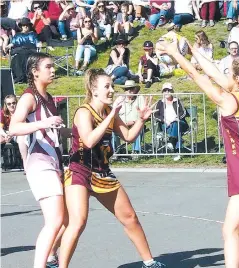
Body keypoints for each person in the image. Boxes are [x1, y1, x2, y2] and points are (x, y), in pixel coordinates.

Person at [158, 36, 239, 268]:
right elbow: (214, 73)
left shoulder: (229, 101)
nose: (224, 75)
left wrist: (176, 54)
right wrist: (194, 50)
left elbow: (199, 78)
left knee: (230, 231)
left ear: (235, 78)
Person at [58, 68, 166, 268]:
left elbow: (128, 136)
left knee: (130, 217)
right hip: (80, 170)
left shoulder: (109, 112)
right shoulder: (84, 112)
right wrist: (113, 114)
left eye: (112, 86)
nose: (111, 90)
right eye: (106, 87)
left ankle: (149, 263)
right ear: (94, 90)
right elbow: (89, 141)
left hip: (102, 172)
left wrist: (141, 120)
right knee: (77, 222)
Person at [9, 53, 66, 268]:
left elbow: (53, 131)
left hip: (54, 161)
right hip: (39, 162)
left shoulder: (48, 98)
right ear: (35, 72)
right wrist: (44, 123)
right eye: (48, 67)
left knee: (65, 220)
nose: (53, 70)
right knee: (54, 221)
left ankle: (51, 256)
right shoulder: (28, 97)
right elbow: (14, 127)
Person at [154, 82, 189, 161]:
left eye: (168, 90)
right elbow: (156, 115)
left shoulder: (177, 101)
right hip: (165, 125)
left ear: (172, 91)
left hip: (179, 123)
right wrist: (164, 120)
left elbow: (183, 112)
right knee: (177, 131)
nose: (167, 92)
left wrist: (177, 118)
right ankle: (176, 151)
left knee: (176, 124)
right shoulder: (160, 102)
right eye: (165, 90)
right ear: (162, 92)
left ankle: (171, 143)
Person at [114, 80, 146, 155]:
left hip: (135, 123)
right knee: (113, 130)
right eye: (126, 89)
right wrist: (121, 123)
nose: (129, 91)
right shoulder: (119, 99)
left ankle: (136, 152)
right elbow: (113, 113)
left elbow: (143, 114)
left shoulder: (140, 98)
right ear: (124, 91)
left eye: (131, 88)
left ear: (135, 89)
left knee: (139, 128)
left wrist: (134, 122)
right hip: (121, 125)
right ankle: (116, 152)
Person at [7, 17, 40, 83]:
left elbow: (37, 43)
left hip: (30, 51)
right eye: (24, 25)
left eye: (27, 25)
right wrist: (9, 45)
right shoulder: (17, 35)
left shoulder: (33, 34)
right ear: (21, 26)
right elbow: (13, 43)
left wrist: (39, 44)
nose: (26, 27)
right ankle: (20, 77)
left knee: (24, 56)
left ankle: (23, 77)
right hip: (19, 51)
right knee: (17, 58)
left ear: (29, 26)